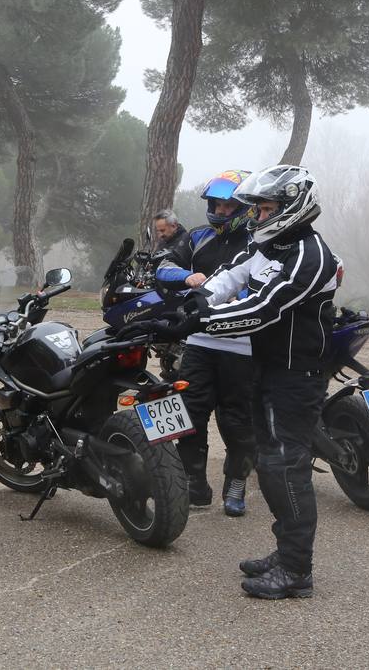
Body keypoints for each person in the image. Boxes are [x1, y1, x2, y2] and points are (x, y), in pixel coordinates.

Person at [195, 165, 340, 600]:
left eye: (266, 209)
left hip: (297, 376)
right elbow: (233, 275)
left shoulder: (309, 256)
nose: (257, 217)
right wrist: (199, 298)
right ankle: (285, 552)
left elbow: (262, 308)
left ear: (292, 208)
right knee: (269, 461)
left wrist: (195, 320)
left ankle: (297, 570)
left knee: (285, 469)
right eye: (257, 209)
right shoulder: (272, 246)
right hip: (267, 368)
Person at [154, 171, 256, 514]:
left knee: (237, 420)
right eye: (217, 204)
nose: (222, 211)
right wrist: (187, 276)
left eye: (229, 206)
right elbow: (162, 268)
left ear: (243, 206)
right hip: (199, 340)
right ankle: (195, 483)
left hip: (243, 345)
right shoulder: (197, 237)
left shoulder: (259, 240)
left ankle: (236, 484)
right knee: (190, 412)